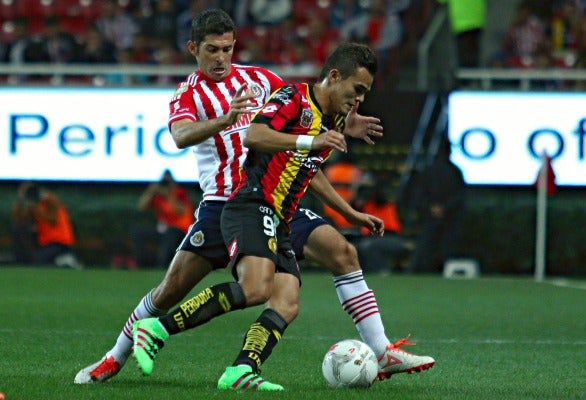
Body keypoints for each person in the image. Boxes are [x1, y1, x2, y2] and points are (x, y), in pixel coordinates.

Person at [74, 9, 433, 388]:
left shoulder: (262, 80)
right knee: (173, 288)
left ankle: (372, 351)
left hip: (279, 203)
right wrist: (225, 121)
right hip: (225, 202)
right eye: (212, 50)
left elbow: (304, 145)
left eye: (227, 49)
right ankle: (114, 357)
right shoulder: (190, 93)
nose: (221, 58)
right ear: (194, 48)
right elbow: (181, 136)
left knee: (335, 258)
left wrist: (340, 127)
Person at [408, 141, 466, 274]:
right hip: (450, 216)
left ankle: (420, 270)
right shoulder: (456, 171)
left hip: (431, 215)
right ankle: (443, 270)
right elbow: (460, 196)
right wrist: (445, 207)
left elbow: (419, 195)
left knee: (427, 244)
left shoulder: (428, 170)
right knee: (447, 245)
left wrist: (430, 207)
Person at [130, 169, 194, 269]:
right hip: (162, 230)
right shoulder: (158, 196)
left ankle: (161, 266)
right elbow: (141, 207)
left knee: (171, 233)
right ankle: (144, 264)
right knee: (138, 232)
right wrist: (151, 191)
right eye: (163, 182)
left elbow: (179, 211)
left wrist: (169, 195)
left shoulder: (180, 193)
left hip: (180, 231)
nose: (165, 185)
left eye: (167, 182)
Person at [11, 181, 81, 269]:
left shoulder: (50, 201)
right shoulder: (36, 205)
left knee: (41, 262)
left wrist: (37, 209)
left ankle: (66, 262)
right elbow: (20, 220)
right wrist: (20, 201)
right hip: (45, 243)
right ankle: (60, 261)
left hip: (59, 241)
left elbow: (53, 220)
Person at [437, 0, 486, 68]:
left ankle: (467, 76)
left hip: (462, 22)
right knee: (473, 55)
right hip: (477, 19)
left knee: (465, 60)